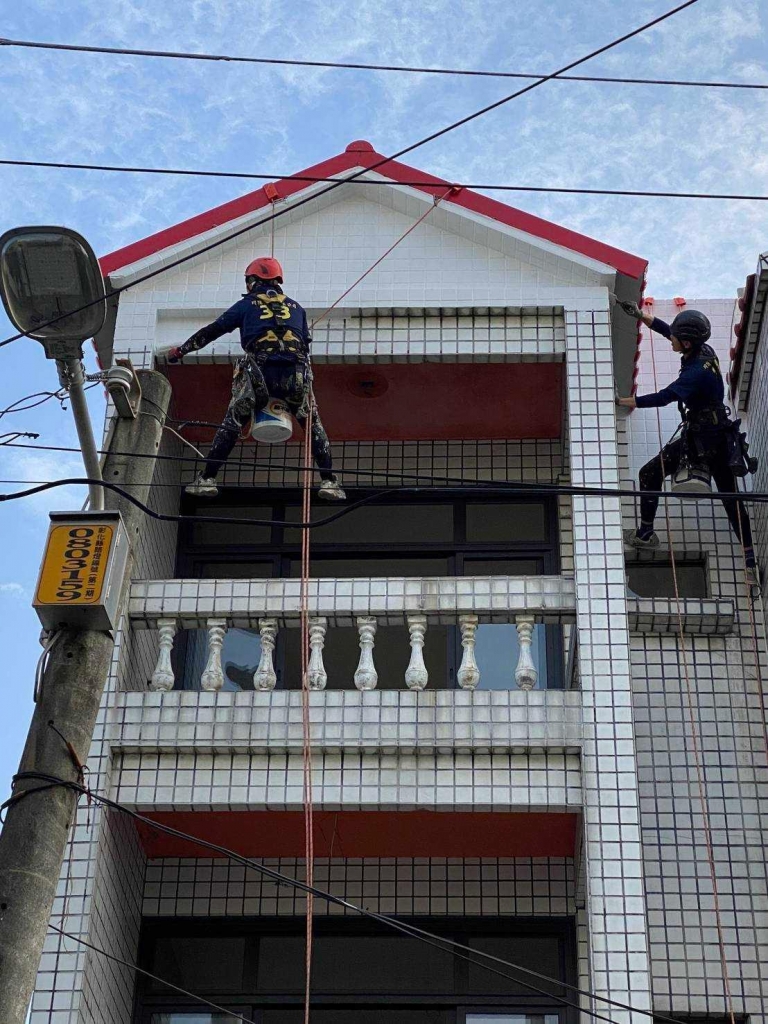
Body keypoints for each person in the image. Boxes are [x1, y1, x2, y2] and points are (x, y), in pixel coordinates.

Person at [167, 257, 345, 501]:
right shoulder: (297, 308)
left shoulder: (247, 304)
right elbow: (305, 342)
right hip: (296, 375)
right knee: (312, 423)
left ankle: (207, 478)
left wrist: (181, 351)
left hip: (260, 374)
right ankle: (329, 481)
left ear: (252, 281)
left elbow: (213, 330)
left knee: (233, 421)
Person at [615, 300, 758, 586]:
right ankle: (751, 559)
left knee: (649, 472)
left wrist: (622, 401)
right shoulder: (704, 351)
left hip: (702, 438)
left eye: (677, 340)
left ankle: (645, 535)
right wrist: (642, 315)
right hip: (720, 434)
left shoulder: (695, 373)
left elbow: (665, 396)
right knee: (730, 496)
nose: (672, 341)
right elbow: (669, 331)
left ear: (688, 342)